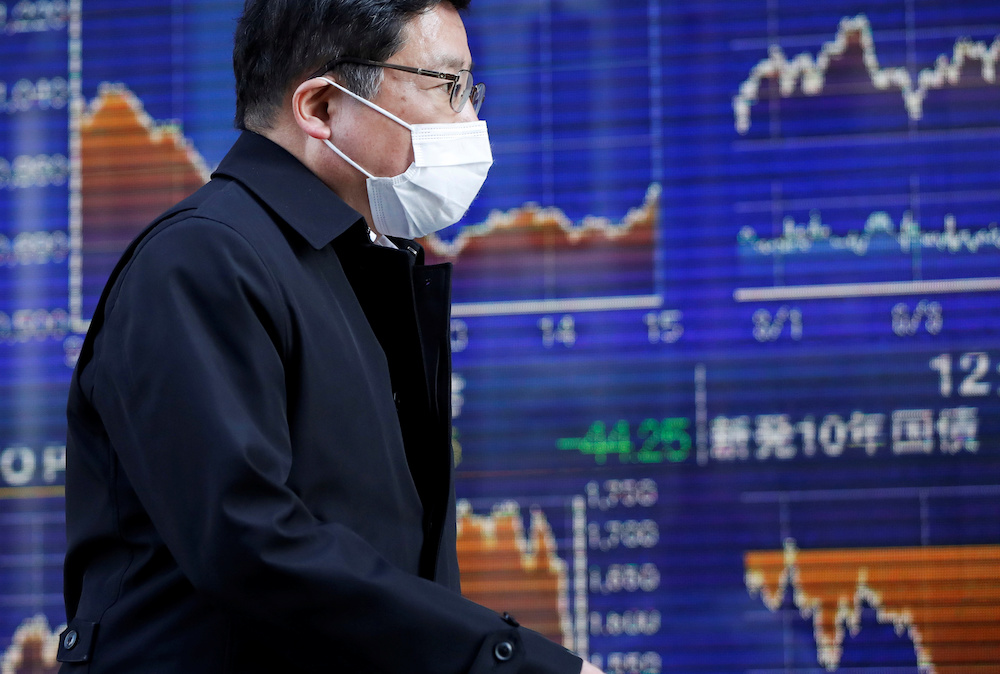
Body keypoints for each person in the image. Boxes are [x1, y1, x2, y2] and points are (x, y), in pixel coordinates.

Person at [58, 1, 606, 672]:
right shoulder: (203, 261)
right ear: (321, 107)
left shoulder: (350, 266)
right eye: (447, 86)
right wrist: (506, 662)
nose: (469, 120)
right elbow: (251, 544)